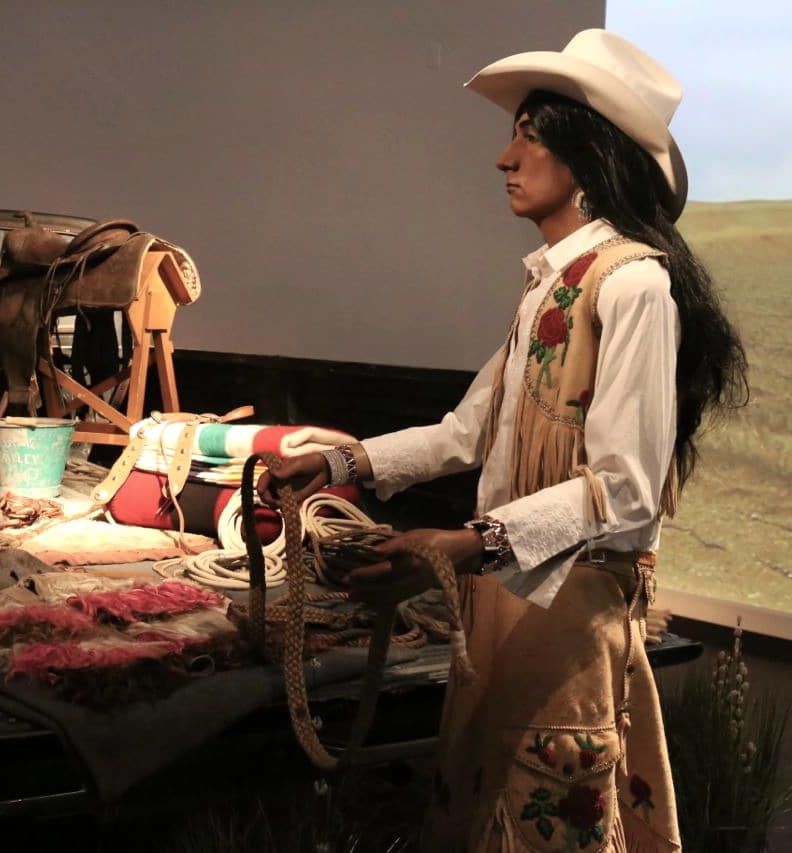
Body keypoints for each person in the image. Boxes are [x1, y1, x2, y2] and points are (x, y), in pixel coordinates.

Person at [258, 30, 746, 851]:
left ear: (587, 154)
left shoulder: (633, 285)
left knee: (545, 816)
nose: (504, 157)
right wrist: (341, 461)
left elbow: (626, 491)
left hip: (570, 622)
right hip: (506, 607)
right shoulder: (551, 287)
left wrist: (467, 543)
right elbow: (468, 430)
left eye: (529, 136)